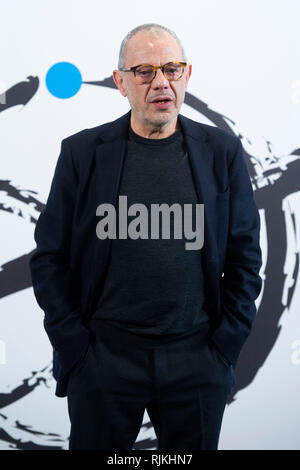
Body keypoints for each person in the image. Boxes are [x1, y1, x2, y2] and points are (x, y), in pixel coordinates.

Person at [30, 23, 262, 450]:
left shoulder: (222, 153)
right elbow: (48, 258)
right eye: (144, 71)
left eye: (172, 69)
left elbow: (245, 257)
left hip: (197, 358)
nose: (161, 82)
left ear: (187, 76)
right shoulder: (82, 154)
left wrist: (224, 347)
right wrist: (76, 347)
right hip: (103, 357)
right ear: (120, 82)